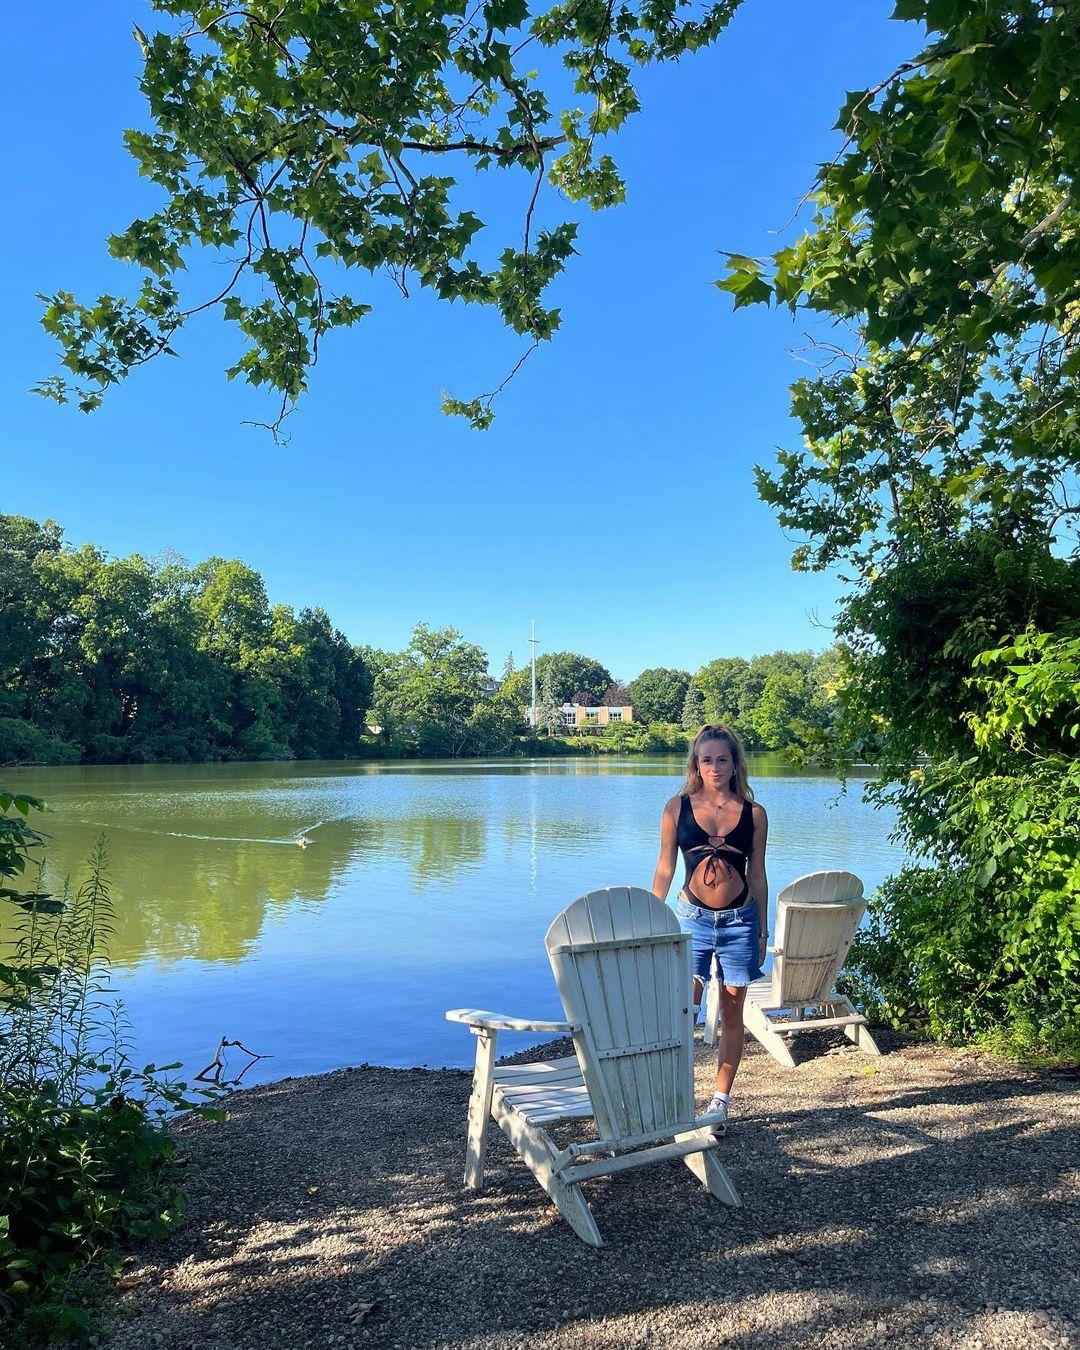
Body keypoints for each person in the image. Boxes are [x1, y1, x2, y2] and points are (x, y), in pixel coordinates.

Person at [651, 724, 769, 1129]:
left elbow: (758, 875)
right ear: (695, 765)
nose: (715, 767)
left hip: (740, 922)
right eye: (707, 760)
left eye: (723, 759)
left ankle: (719, 1103)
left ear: (735, 764)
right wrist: (652, 917)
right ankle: (678, 1098)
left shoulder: (754, 814)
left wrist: (762, 931)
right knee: (684, 1009)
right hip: (691, 920)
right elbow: (665, 868)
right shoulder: (675, 808)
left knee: (732, 1014)